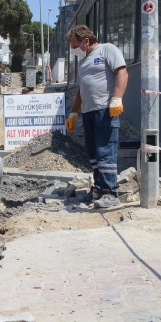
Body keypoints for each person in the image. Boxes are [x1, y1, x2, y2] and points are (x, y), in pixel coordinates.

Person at [65, 25, 128, 208]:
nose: (74, 50)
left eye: (75, 46)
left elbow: (122, 73)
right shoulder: (83, 62)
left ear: (86, 41)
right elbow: (81, 89)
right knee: (92, 152)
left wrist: (117, 98)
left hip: (105, 111)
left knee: (105, 151)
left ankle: (110, 192)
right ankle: (99, 189)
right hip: (89, 112)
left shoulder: (107, 49)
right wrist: (74, 112)